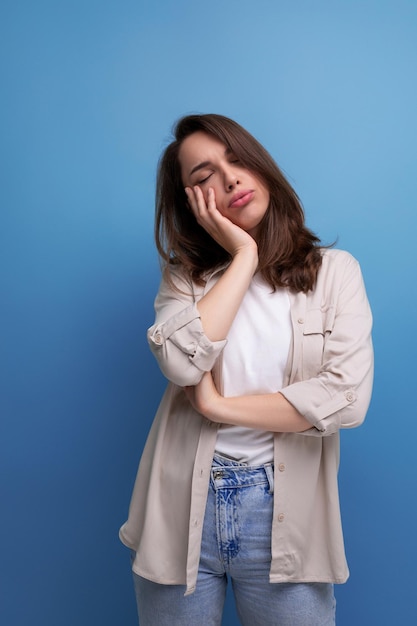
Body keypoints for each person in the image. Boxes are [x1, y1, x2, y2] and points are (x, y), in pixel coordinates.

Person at [119, 113, 373, 625]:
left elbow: (346, 399)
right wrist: (243, 257)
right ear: (191, 201)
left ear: (260, 166)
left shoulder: (334, 273)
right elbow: (179, 362)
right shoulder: (184, 281)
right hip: (179, 511)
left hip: (286, 514)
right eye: (203, 175)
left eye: (235, 159)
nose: (228, 177)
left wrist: (219, 406)